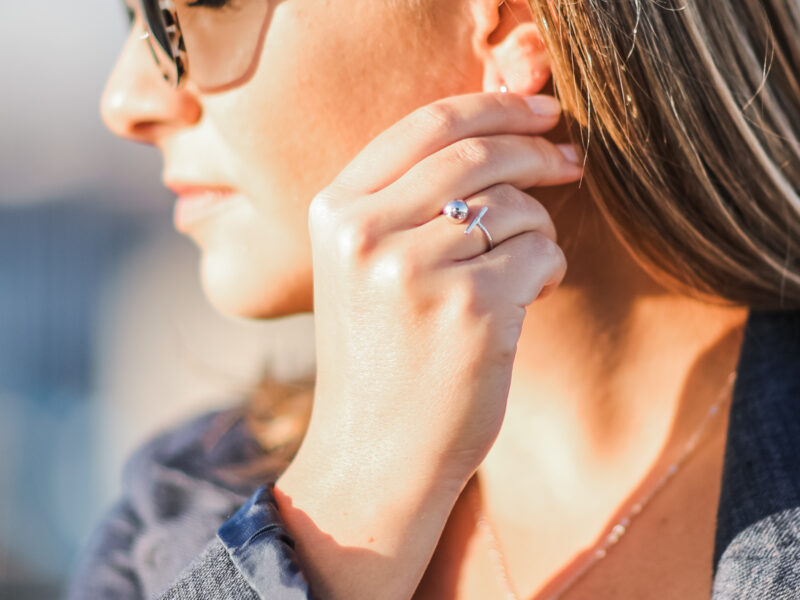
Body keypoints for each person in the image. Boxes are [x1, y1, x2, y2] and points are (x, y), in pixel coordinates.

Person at [67, 0, 800, 598]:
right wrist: (344, 509)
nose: (126, 100)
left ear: (515, 25)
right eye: (132, 18)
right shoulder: (175, 514)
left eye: (199, 9)